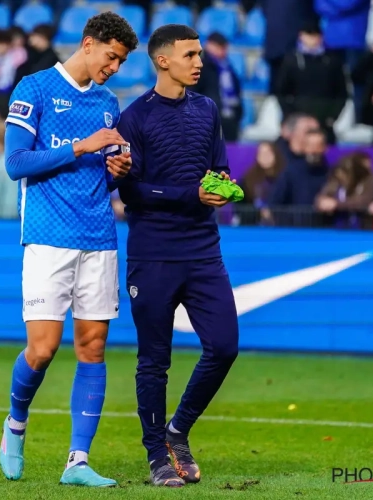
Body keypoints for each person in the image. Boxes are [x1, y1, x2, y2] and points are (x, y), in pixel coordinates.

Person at [0, 12, 138, 488]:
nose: (114, 68)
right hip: (47, 237)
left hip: (99, 236)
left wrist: (117, 169)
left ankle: (77, 461)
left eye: (120, 61)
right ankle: (15, 424)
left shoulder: (107, 103)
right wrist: (81, 147)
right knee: (42, 349)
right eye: (112, 57)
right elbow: (16, 163)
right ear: (88, 43)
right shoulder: (34, 89)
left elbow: (105, 165)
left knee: (93, 346)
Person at [116, 24, 239, 488]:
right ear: (162, 60)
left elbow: (220, 165)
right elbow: (132, 191)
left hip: (203, 250)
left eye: (200, 54)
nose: (199, 62)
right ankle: (156, 457)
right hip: (153, 254)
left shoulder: (207, 109)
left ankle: (177, 429)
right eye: (190, 54)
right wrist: (193, 193)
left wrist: (221, 186)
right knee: (154, 360)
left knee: (225, 346)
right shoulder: (136, 118)